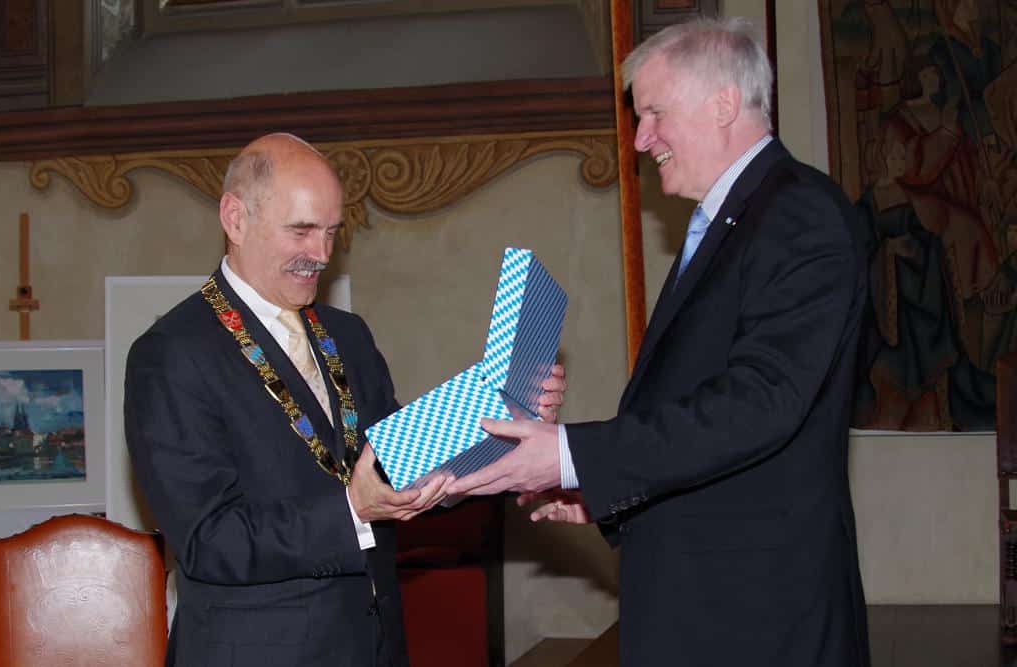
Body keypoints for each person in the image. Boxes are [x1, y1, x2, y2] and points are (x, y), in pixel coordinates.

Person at [448, 17, 871, 666]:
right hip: (711, 606)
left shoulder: (798, 214)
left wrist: (572, 455)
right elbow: (695, 402)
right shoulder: (735, 217)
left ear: (723, 103)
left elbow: (760, 403)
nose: (641, 139)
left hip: (757, 618)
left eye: (652, 113)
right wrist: (599, 486)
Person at [123, 133, 565, 667]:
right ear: (235, 219)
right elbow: (209, 540)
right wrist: (352, 509)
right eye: (302, 230)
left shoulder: (347, 335)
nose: (322, 254)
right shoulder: (171, 354)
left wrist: (505, 426)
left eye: (332, 232)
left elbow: (402, 472)